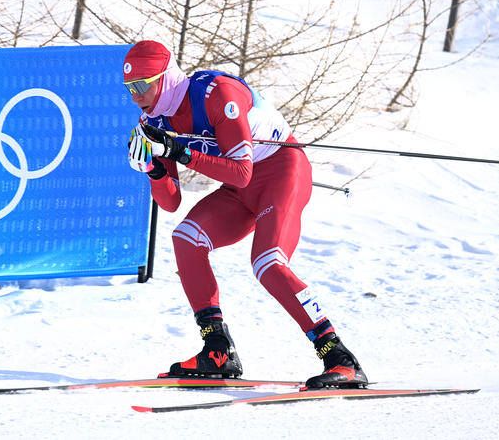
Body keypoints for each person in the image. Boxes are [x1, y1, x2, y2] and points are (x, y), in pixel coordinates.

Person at [123, 40, 367, 389]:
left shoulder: (216, 93)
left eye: (142, 85)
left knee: (268, 263)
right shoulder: (152, 120)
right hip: (240, 190)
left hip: (281, 172)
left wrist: (178, 151)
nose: (135, 96)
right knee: (186, 239)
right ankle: (218, 350)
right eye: (129, 88)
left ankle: (340, 358)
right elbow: (171, 202)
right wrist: (154, 169)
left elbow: (241, 172)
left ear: (165, 78)